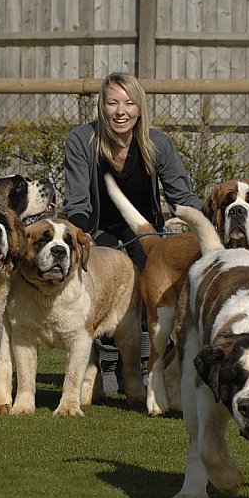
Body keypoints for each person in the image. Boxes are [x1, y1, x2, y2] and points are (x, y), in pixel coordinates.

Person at [63, 71, 203, 392]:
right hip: (96, 226)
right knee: (103, 285)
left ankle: (145, 366)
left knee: (152, 284)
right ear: (102, 106)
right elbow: (77, 201)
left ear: (140, 108)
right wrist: (87, 246)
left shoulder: (158, 144)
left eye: (129, 103)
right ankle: (103, 364)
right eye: (112, 103)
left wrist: (207, 227)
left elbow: (182, 197)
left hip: (143, 228)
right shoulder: (81, 141)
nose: (121, 111)